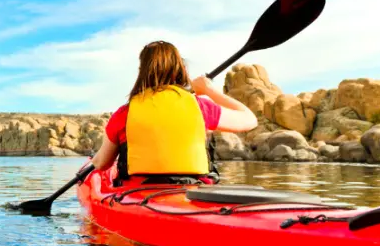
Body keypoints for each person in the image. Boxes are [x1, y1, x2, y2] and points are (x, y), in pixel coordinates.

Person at [90, 40, 257, 186]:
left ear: (142, 71)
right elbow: (250, 120)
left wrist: (92, 161)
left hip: (138, 194)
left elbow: (101, 163)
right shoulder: (200, 107)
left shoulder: (125, 113)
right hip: (194, 193)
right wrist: (209, 90)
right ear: (180, 69)